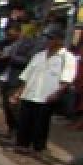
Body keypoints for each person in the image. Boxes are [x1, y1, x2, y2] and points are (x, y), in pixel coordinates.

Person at [11, 25, 75, 155]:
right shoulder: (39, 55)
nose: (47, 41)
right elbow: (27, 75)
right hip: (30, 93)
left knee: (40, 124)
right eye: (46, 38)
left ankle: (38, 148)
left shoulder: (67, 57)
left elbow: (67, 79)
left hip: (47, 96)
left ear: (59, 40)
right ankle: (22, 145)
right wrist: (18, 92)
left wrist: (57, 93)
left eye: (50, 38)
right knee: (25, 121)